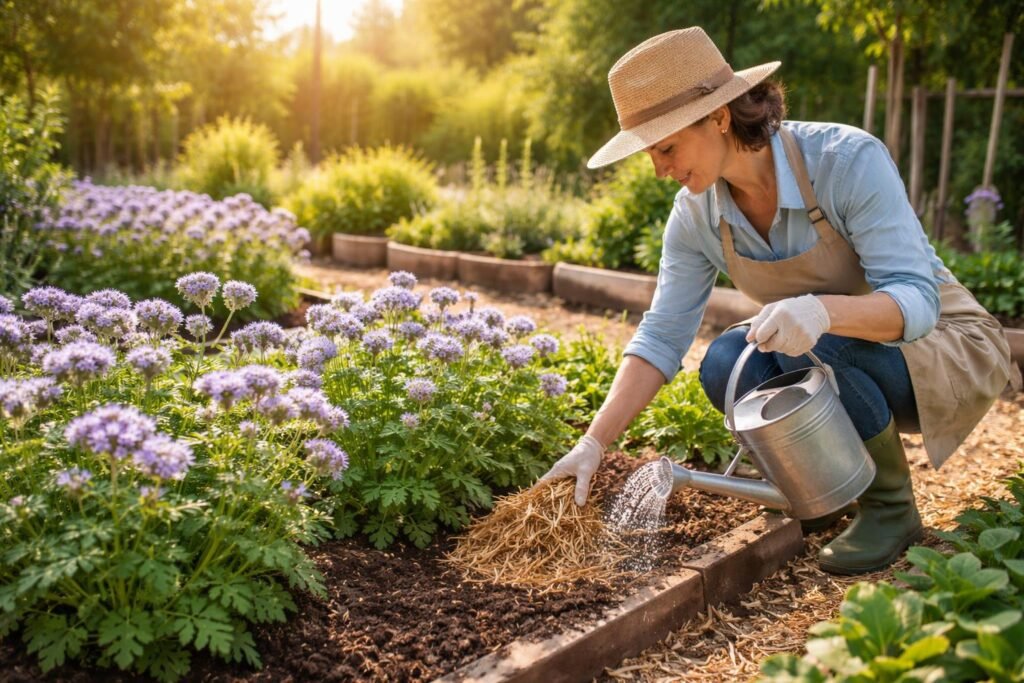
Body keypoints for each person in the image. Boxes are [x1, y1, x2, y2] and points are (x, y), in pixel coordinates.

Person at [539, 26, 1021, 575]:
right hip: (834, 351)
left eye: (667, 147)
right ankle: (823, 492)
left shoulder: (845, 160)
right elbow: (662, 335)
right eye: (650, 154)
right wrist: (594, 444)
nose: (660, 169)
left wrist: (819, 312)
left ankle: (890, 507)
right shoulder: (696, 214)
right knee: (726, 361)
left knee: (806, 348)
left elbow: (918, 302)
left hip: (942, 348)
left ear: (719, 117)